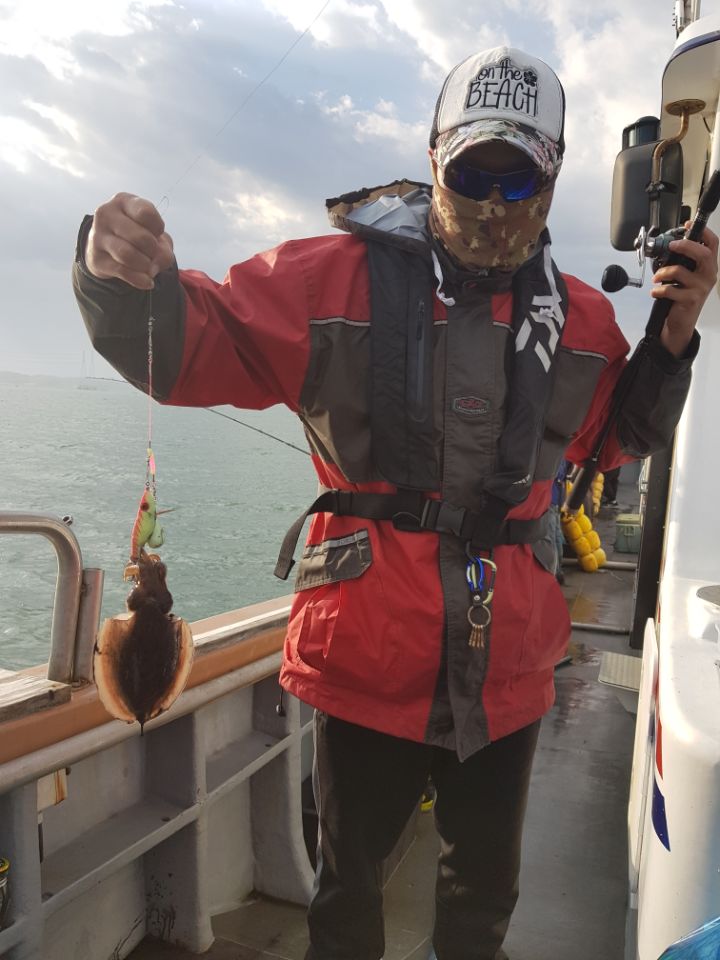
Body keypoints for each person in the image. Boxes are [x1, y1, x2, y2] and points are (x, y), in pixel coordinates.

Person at [72, 46, 718, 960]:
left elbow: (617, 439)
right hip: (366, 658)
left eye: (518, 176)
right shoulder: (325, 280)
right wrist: (117, 276)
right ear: (434, 157)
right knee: (348, 895)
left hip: (509, 671)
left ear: (552, 177)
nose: (493, 199)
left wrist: (674, 338)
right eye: (473, 170)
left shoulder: (580, 319)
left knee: (483, 896)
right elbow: (185, 346)